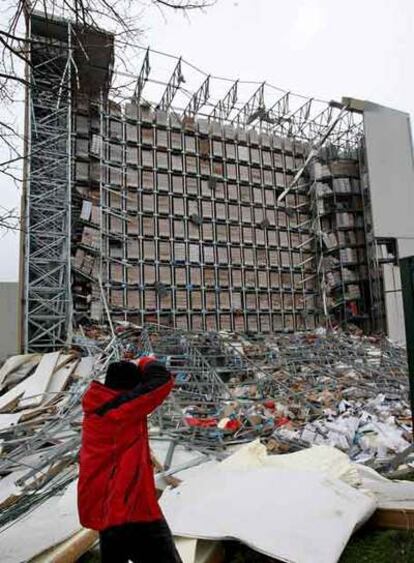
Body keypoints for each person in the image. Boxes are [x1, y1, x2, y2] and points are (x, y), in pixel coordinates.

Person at [78, 356, 182, 563]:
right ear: (129, 389)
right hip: (130, 509)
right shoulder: (120, 410)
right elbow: (161, 380)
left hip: (107, 510)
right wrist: (144, 360)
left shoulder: (100, 406)